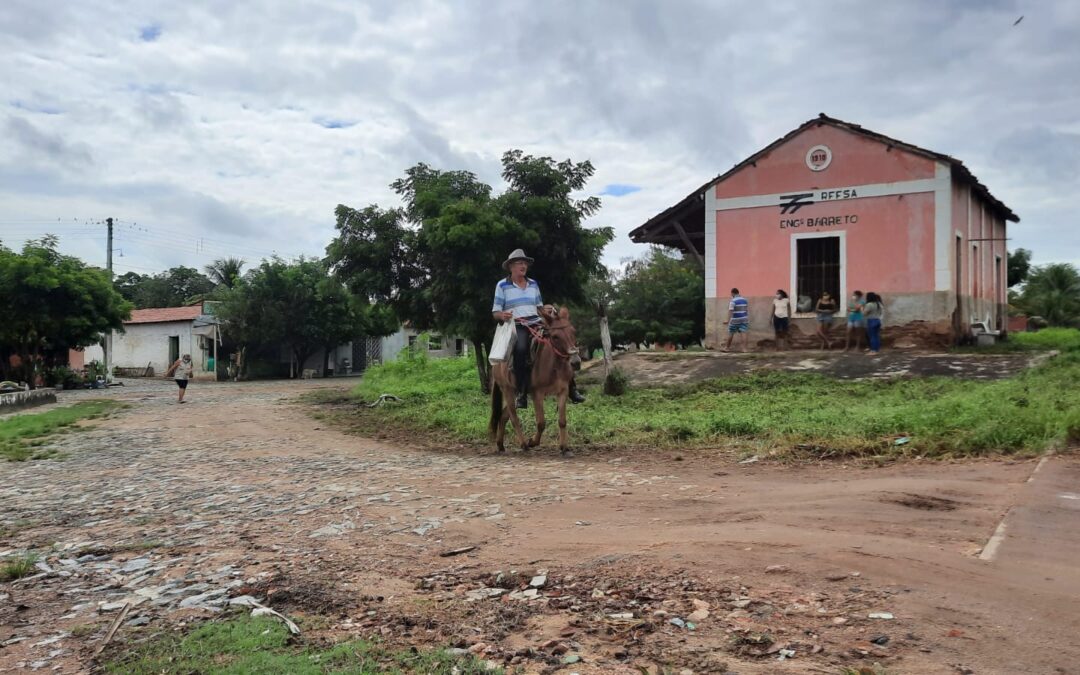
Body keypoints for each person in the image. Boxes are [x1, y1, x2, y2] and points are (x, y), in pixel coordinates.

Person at [492, 249, 585, 410]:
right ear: (511, 267)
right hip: (517, 325)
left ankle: (572, 388)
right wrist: (502, 315)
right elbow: (495, 312)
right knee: (520, 349)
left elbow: (539, 308)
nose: (523, 265)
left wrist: (547, 310)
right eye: (519, 263)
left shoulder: (533, 284)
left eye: (525, 263)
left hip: (536, 322)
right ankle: (521, 392)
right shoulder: (502, 285)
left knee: (562, 342)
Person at [723, 288, 750, 352]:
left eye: (731, 294)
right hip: (744, 319)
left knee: (731, 333)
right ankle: (744, 349)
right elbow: (746, 310)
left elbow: (730, 311)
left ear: (733, 293)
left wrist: (727, 320)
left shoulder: (733, 301)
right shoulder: (745, 300)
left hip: (735, 320)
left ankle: (727, 348)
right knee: (744, 333)